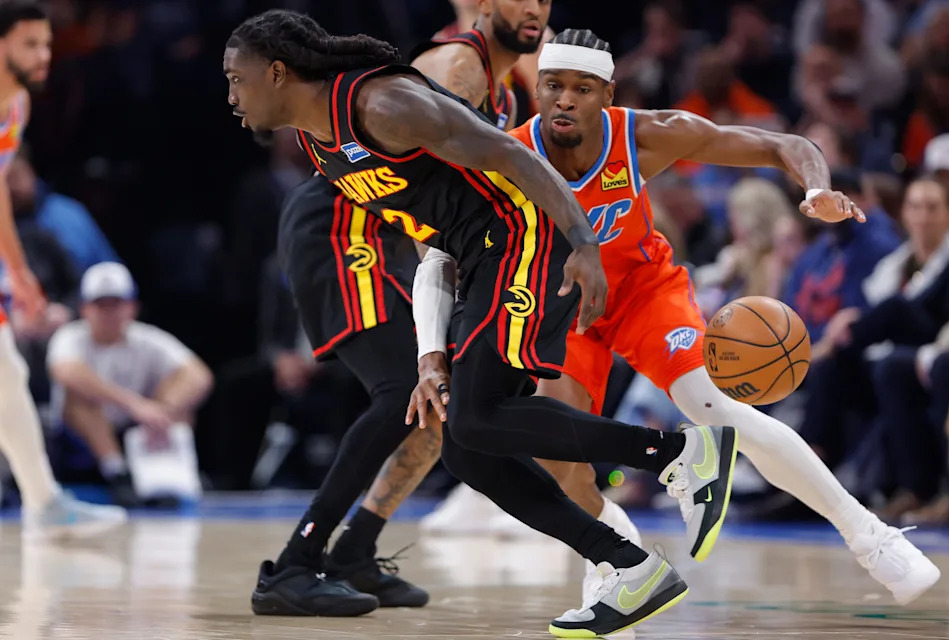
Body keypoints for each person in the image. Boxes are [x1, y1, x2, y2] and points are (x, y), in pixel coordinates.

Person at [225, 10, 741, 637]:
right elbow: (429, 244)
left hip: (522, 235)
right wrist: (427, 350)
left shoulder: (384, 104)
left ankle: (681, 450)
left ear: (277, 72)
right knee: (469, 449)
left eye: (237, 79)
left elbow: (508, 153)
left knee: (474, 418)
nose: (231, 97)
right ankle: (629, 565)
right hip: (474, 260)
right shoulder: (318, 141)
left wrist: (582, 242)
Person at [412, 28, 940, 607]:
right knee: (562, 466)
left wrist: (816, 188)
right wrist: (429, 354)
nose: (565, 99)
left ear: (607, 96)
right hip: (560, 310)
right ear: (537, 89)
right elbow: (437, 259)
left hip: (642, 290)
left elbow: (780, 144)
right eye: (554, 85)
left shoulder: (646, 136)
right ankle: (618, 550)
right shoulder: (504, 158)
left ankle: (869, 534)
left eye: (582, 89)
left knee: (711, 404)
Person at [249, 0, 559, 618]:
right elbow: (425, 189)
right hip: (346, 226)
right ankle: (294, 564)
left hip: (396, 237)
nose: (537, 15)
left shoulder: (507, 85)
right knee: (402, 391)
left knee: (432, 405)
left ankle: (356, 547)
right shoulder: (455, 65)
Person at [0, 0, 126, 540]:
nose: (45, 54)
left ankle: (44, 504)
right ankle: (43, 503)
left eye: (46, 43)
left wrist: (20, 271)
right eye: (30, 44)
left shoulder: (16, 105)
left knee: (7, 373)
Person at [47, 262, 214, 507]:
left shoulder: (147, 338)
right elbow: (66, 372)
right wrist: (133, 403)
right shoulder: (69, 336)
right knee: (80, 397)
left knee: (178, 393)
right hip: (81, 434)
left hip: (136, 429)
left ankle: (166, 476)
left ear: (132, 307)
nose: (108, 312)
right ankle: (117, 473)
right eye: (100, 304)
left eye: (116, 304)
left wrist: (163, 409)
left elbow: (199, 375)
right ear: (84, 309)